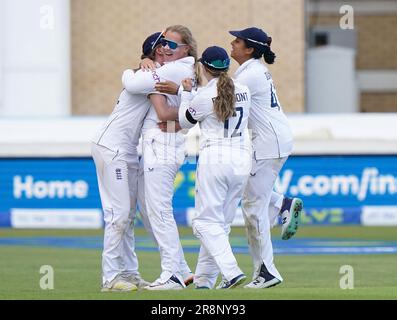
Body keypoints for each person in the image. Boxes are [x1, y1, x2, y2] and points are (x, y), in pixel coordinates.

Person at [122, 25, 198, 290]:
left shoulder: (177, 68)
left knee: (159, 211)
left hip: (162, 145)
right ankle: (182, 270)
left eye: (172, 45)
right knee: (151, 210)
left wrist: (135, 68)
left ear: (186, 49)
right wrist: (149, 64)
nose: (165, 48)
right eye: (163, 43)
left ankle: (172, 275)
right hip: (160, 144)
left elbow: (132, 83)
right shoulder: (175, 67)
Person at [91, 32, 166, 292]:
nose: (172, 52)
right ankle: (110, 278)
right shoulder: (144, 77)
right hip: (112, 147)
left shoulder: (152, 76)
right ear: (155, 53)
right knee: (119, 215)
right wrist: (145, 62)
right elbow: (131, 78)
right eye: (166, 48)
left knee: (127, 216)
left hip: (127, 150)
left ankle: (130, 274)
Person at [228, 27, 303, 289]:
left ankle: (267, 273)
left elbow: (219, 102)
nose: (232, 43)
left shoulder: (249, 75)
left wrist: (184, 93)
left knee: (253, 208)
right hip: (273, 140)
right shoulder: (251, 71)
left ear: (249, 48)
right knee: (250, 196)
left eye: (237, 41)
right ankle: (282, 203)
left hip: (269, 143)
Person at [178, 46, 251, 289]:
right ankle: (204, 281)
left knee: (204, 223)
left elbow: (183, 123)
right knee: (219, 225)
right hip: (242, 156)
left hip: (216, 157)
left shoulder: (202, 96)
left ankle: (231, 271)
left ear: (203, 66)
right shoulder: (243, 89)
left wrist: (187, 93)